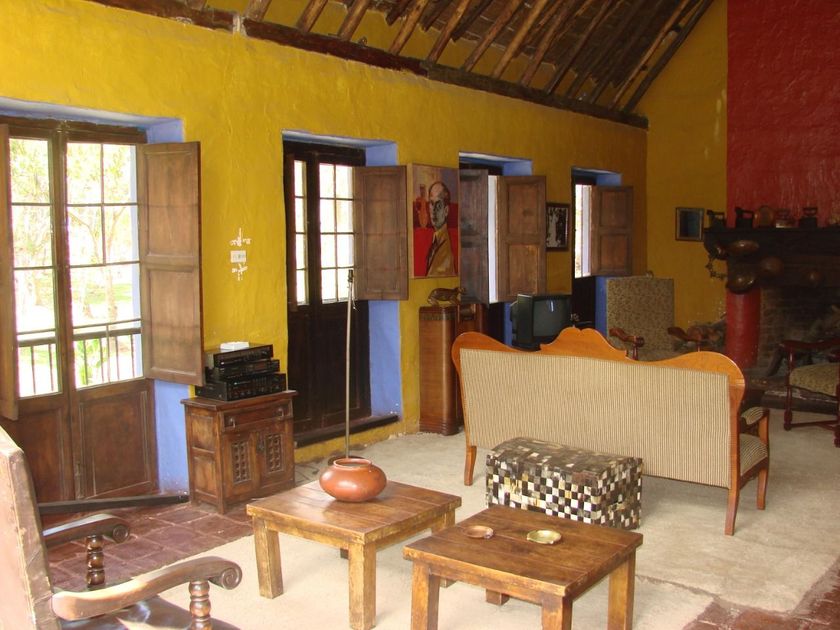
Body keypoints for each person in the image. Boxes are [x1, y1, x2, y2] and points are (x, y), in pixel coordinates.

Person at [425, 180, 456, 276]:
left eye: (438, 205)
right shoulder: (437, 239)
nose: (433, 210)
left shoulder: (445, 248)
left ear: (446, 211)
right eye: (431, 203)